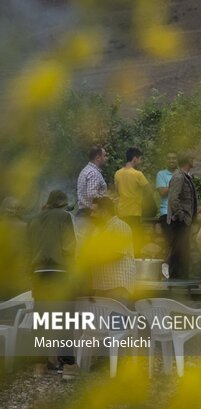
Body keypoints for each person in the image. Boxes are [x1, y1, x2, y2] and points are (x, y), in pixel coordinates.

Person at [27, 190, 78, 379]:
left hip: (39, 274)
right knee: (64, 320)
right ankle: (68, 367)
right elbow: (70, 247)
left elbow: (28, 250)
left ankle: (40, 366)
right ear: (62, 204)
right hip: (60, 274)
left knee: (41, 320)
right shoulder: (65, 218)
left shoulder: (33, 220)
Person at [90, 196, 136, 303]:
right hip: (101, 286)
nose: (91, 215)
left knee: (115, 320)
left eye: (94, 212)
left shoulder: (120, 226)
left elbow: (116, 254)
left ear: (104, 212)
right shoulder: (98, 230)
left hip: (117, 287)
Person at [167, 153, 198, 279]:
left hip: (185, 220)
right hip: (180, 220)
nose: (194, 160)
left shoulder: (185, 176)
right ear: (188, 159)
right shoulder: (179, 176)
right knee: (177, 250)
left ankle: (183, 276)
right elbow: (173, 198)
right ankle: (175, 277)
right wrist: (181, 216)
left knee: (183, 249)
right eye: (192, 157)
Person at [114, 147, 149, 255]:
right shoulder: (138, 174)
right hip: (134, 212)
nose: (140, 161)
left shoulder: (117, 174)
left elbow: (117, 192)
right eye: (140, 159)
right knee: (135, 242)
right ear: (134, 159)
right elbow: (148, 190)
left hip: (121, 213)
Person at [76, 145, 108, 242]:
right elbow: (91, 194)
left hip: (83, 213)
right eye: (105, 156)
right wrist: (106, 199)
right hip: (90, 216)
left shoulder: (85, 170)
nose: (106, 158)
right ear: (98, 158)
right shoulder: (93, 173)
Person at [156, 152, 178, 276]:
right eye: (169, 158)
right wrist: (176, 184)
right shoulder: (161, 174)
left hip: (180, 214)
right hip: (166, 213)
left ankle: (173, 270)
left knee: (179, 243)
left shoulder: (182, 173)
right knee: (171, 241)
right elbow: (162, 192)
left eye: (174, 158)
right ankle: (166, 266)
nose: (171, 160)